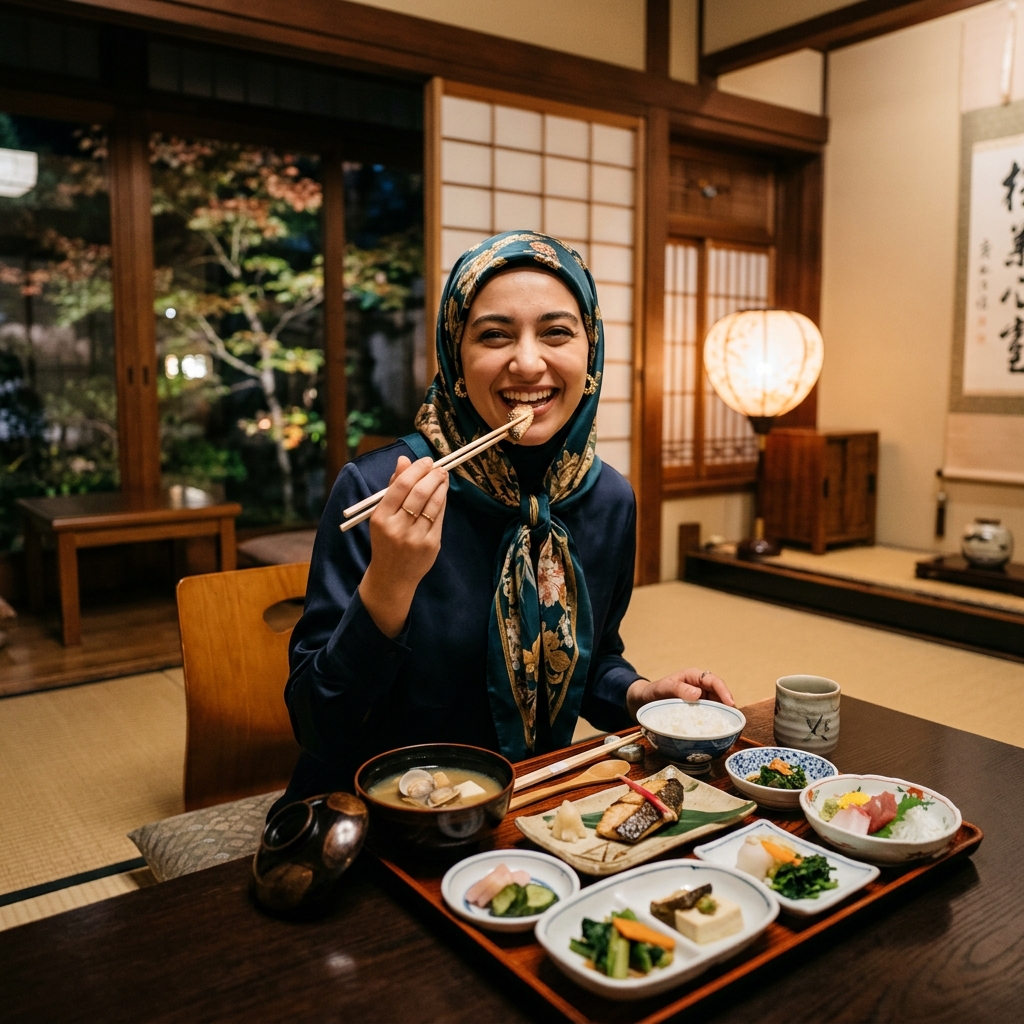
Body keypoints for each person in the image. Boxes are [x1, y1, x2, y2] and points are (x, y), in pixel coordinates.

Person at [276, 231, 734, 808]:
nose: (527, 361)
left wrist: (641, 695)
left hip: (529, 808)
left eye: (556, 333)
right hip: (377, 816)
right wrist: (390, 580)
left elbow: (588, 662)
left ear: (590, 352)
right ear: (455, 356)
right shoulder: (380, 490)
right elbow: (319, 725)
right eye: (494, 335)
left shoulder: (608, 498)